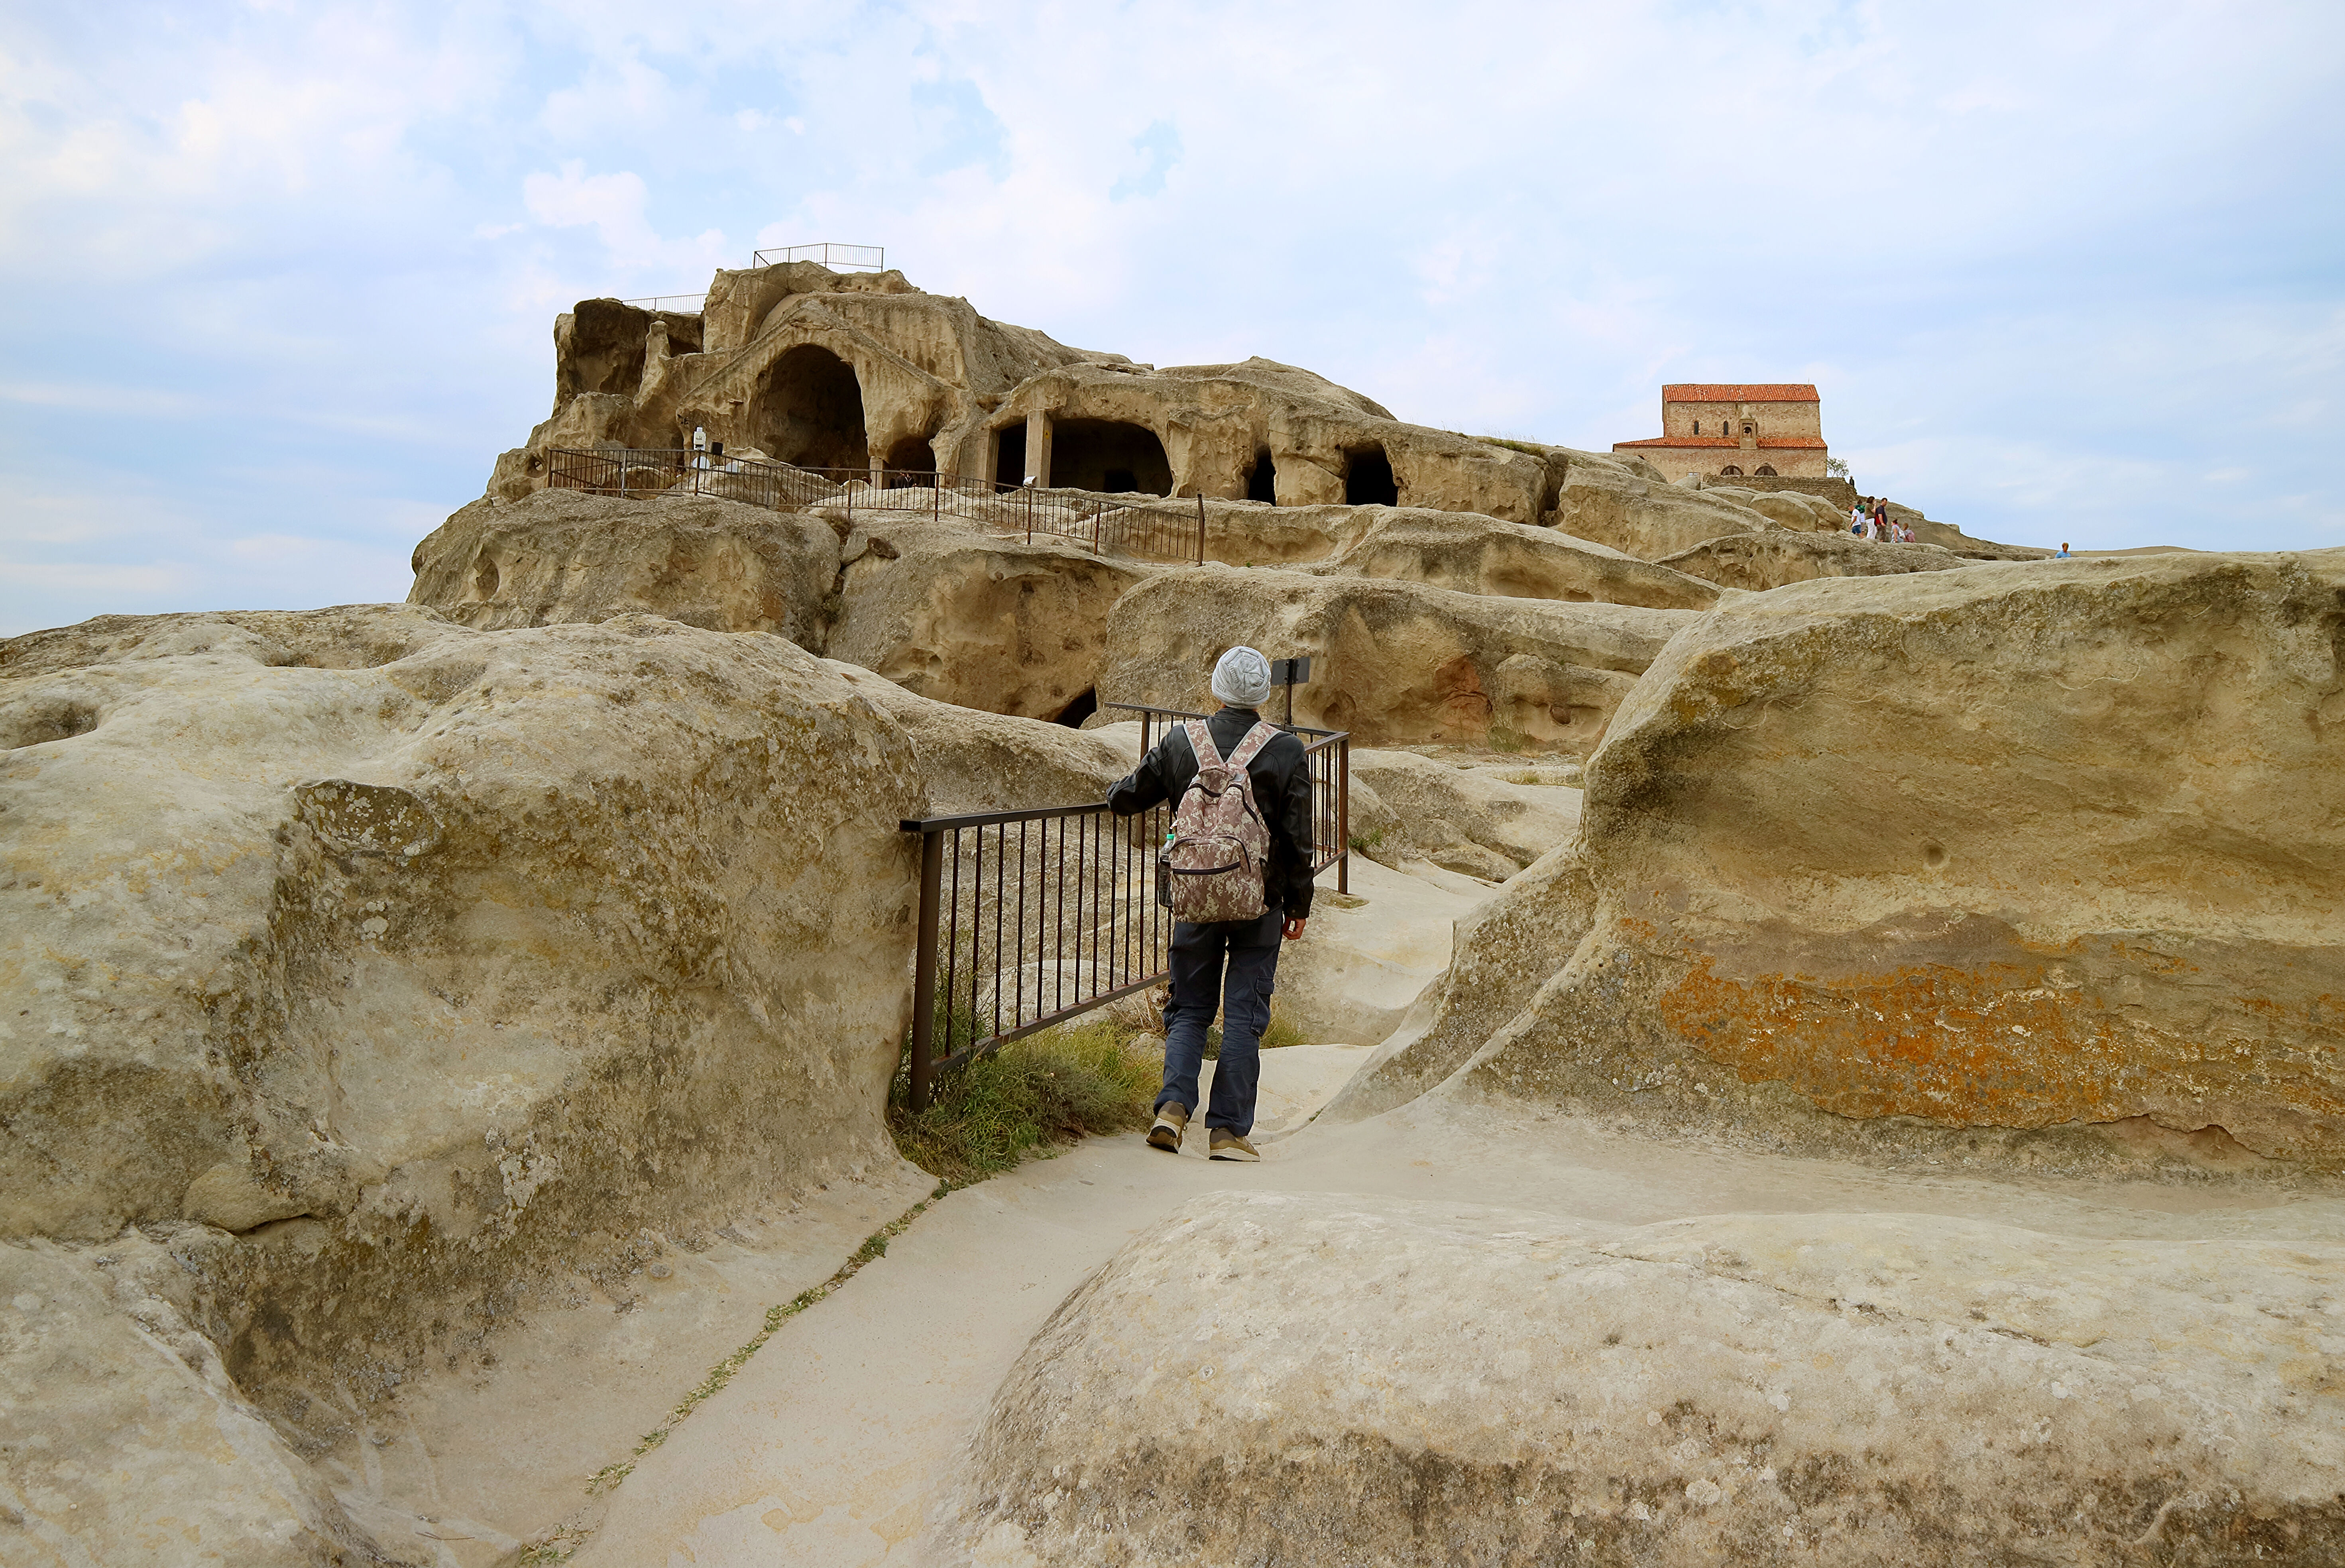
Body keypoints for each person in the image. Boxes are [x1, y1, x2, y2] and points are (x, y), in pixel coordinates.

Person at [1107, 646, 1314, 1163]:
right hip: (1259, 900)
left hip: (1192, 895)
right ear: (1263, 692)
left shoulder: (1183, 741)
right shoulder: (1286, 749)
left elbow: (1127, 796)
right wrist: (1299, 902)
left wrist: (1113, 791)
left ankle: (1172, 1109)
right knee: (1244, 1012)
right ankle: (1227, 1132)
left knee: (1190, 1006)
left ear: (1218, 687)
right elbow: (1297, 837)